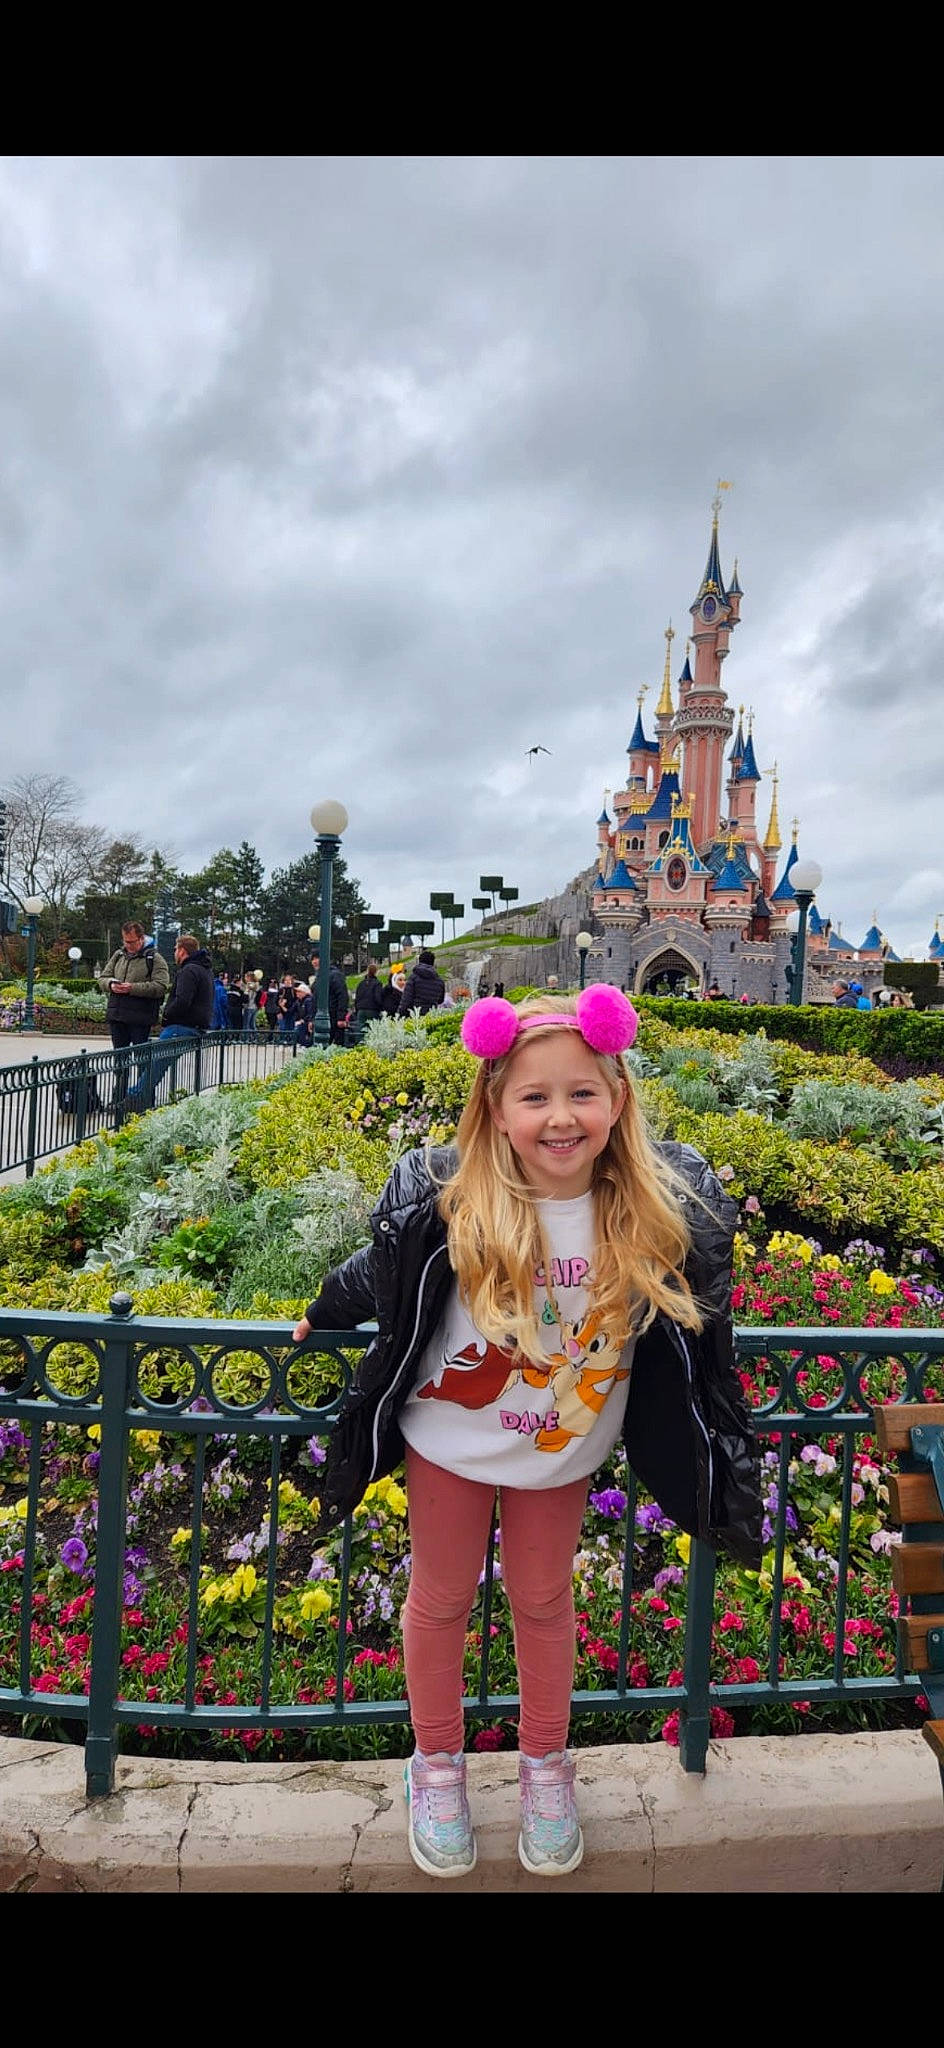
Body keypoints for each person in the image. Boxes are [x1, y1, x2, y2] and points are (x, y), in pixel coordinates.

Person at [291, 987, 761, 1881]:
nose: (560, 1117)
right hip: (453, 1442)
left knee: (544, 1604)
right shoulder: (456, 1202)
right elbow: (381, 1270)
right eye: (535, 1097)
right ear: (497, 1110)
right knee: (441, 1601)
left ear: (617, 1101)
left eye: (582, 1093)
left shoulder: (656, 1208)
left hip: (563, 1451)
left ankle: (547, 1766)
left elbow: (704, 1313)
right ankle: (436, 1767)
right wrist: (323, 1306)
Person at [120, 933, 214, 1120]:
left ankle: (131, 1101)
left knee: (154, 1068)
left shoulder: (189, 971)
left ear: (182, 951)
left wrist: (167, 1015)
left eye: (175, 950)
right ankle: (136, 1101)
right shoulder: (204, 970)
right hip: (193, 1026)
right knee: (156, 1067)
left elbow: (182, 1001)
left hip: (180, 1027)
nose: (174, 953)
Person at [98, 922, 171, 1104]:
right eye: (125, 941)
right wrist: (110, 985)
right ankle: (119, 1098)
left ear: (141, 938)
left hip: (140, 1017)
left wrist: (132, 988)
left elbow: (161, 986)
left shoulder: (155, 958)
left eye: (131, 942)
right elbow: (103, 978)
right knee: (120, 1060)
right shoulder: (119, 954)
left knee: (141, 1061)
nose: (128, 946)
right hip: (118, 1015)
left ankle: (142, 1097)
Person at [310, 952, 350, 1043]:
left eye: (317, 958)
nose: (315, 961)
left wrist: (341, 1017)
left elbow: (342, 996)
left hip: (333, 1017)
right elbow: (314, 1000)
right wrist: (312, 1019)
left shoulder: (334, 975)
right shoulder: (319, 977)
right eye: (313, 959)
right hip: (321, 1017)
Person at [398, 948, 446, 1017]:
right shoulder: (440, 981)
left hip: (415, 1017)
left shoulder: (413, 978)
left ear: (419, 961)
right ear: (433, 962)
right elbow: (440, 1000)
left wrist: (400, 1015)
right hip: (432, 1016)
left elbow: (406, 1000)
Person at [353, 959, 385, 1026]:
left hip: (361, 1010)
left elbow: (357, 998)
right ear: (376, 972)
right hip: (372, 1010)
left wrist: (357, 1009)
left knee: (360, 1031)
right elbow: (378, 998)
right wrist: (381, 1008)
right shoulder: (377, 984)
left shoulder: (361, 983)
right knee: (372, 1031)